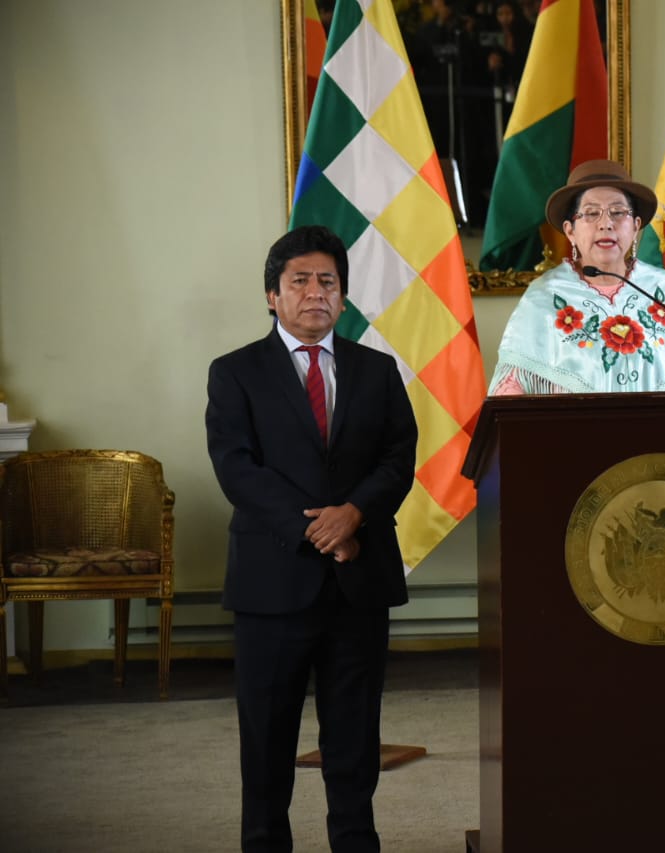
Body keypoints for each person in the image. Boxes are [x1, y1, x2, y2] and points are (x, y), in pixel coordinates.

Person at [206, 225, 418, 852]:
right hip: (271, 582)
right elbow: (237, 468)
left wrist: (354, 515)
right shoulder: (235, 372)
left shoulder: (377, 370)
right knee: (267, 740)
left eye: (328, 281)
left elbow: (398, 458)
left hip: (360, 580)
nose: (315, 292)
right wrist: (321, 530)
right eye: (299, 281)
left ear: (343, 297)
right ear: (272, 295)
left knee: (354, 739)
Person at [488, 159, 665, 394]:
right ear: (570, 231)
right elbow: (510, 387)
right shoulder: (543, 296)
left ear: (635, 227)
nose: (606, 224)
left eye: (618, 212)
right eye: (591, 213)